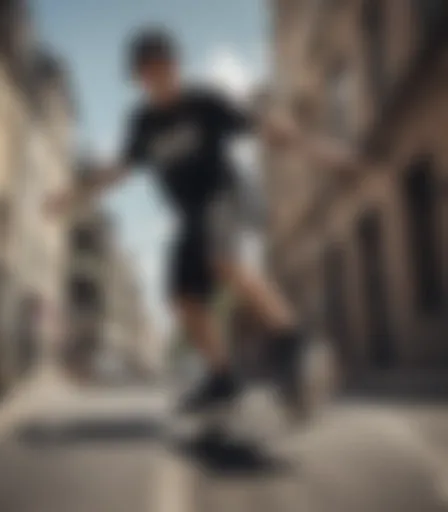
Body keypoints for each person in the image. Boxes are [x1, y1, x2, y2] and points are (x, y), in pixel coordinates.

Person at [46, 28, 358, 420]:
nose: (157, 80)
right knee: (182, 296)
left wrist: (324, 152)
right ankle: (222, 378)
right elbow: (118, 169)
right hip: (190, 216)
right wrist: (71, 195)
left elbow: (272, 131)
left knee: (223, 260)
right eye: (147, 75)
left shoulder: (205, 102)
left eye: (163, 70)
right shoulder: (143, 122)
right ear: (139, 78)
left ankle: (291, 340)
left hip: (226, 196)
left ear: (175, 67)